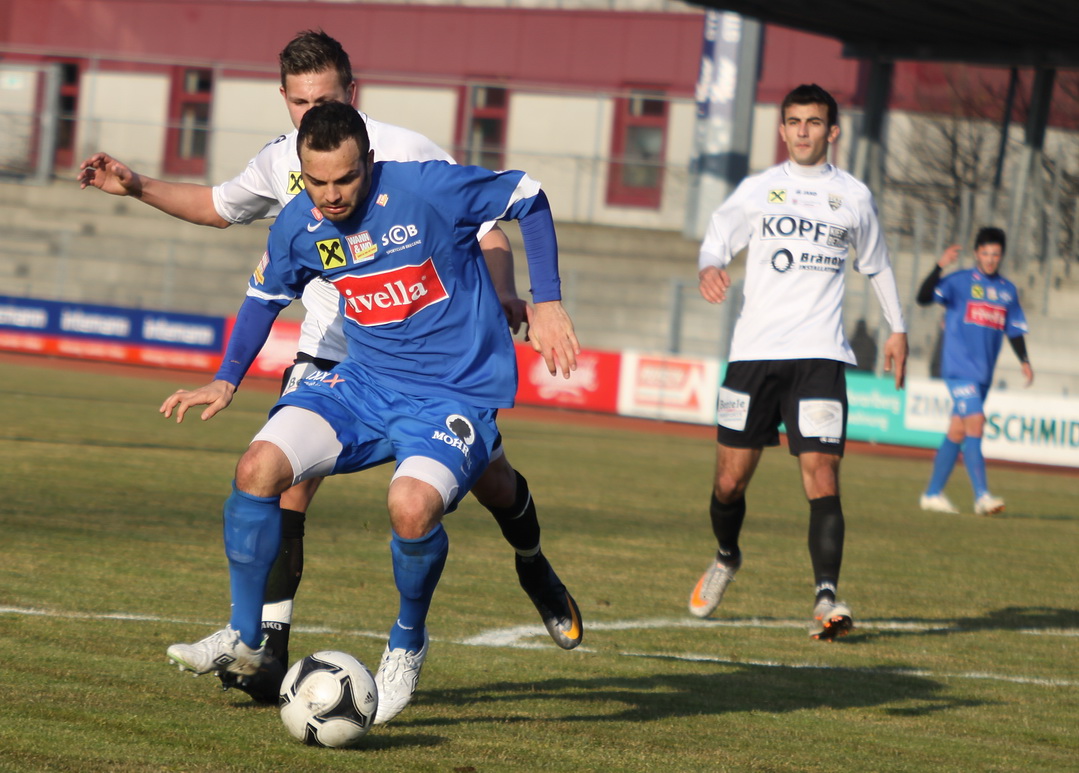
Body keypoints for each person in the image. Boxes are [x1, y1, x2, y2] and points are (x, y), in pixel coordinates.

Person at [77, 31, 583, 703]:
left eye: (343, 178)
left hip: (449, 380)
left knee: (466, 491)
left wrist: (534, 300)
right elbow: (255, 278)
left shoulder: (413, 166)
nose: (330, 194)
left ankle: (481, 594)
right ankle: (254, 640)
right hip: (351, 367)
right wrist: (226, 378)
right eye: (300, 103)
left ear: (353, 102)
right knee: (264, 471)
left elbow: (505, 212)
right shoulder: (293, 198)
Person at [687, 84, 908, 640]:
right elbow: (715, 242)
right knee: (729, 482)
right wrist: (709, 267)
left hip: (820, 357)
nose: (802, 131)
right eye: (793, 121)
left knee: (823, 474)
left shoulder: (853, 197)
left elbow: (877, 266)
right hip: (753, 355)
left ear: (833, 131)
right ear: (782, 129)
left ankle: (826, 598)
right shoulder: (758, 190)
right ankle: (726, 555)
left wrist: (898, 328)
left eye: (813, 122)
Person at [916, 228, 1032, 515]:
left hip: (983, 374)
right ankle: (982, 497)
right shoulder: (959, 281)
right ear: (977, 253)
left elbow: (1014, 329)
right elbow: (923, 297)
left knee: (957, 430)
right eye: (985, 253)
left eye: (995, 254)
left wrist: (1024, 360)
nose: (990, 259)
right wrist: (939, 266)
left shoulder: (1007, 290)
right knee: (976, 423)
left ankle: (932, 495)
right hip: (958, 368)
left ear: (1001, 256)